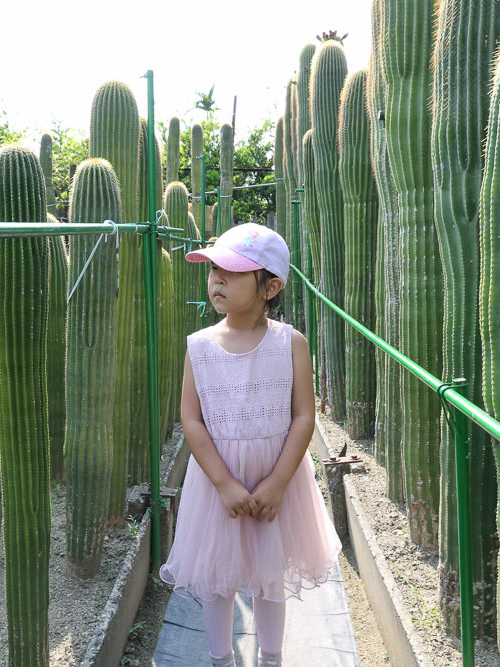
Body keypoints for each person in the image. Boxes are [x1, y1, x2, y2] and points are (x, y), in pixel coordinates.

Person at [159, 223, 342, 667]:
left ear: (271, 286)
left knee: (269, 577)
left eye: (233, 272)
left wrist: (279, 483)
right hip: (217, 483)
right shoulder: (199, 347)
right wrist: (222, 483)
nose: (217, 279)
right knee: (216, 580)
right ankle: (222, 659)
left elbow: (303, 415)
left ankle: (270, 658)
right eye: (213, 270)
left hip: (275, 480)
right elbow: (192, 420)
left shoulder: (291, 343)